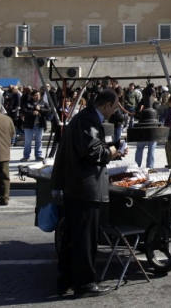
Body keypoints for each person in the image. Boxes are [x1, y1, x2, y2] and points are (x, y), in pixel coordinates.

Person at [52, 89, 123, 297]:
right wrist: (111, 151)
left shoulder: (87, 119)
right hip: (84, 189)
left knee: (74, 237)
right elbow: (93, 151)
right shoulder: (89, 120)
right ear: (107, 105)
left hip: (79, 187)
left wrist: (110, 148)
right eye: (116, 105)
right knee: (84, 239)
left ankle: (66, 279)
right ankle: (84, 284)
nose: (116, 110)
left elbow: (88, 147)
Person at [20, 90, 50, 162]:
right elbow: (23, 111)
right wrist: (31, 112)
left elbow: (48, 111)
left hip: (39, 125)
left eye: (39, 95)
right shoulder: (27, 103)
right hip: (29, 125)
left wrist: (41, 109)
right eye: (36, 95)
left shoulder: (43, 103)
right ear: (32, 96)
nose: (38, 96)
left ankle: (38, 155)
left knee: (38, 141)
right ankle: (26, 156)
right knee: (28, 141)